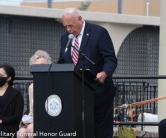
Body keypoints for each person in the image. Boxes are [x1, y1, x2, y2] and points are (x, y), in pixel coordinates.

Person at [58, 8, 117, 138]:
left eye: (70, 25)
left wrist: (105, 73)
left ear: (79, 19)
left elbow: (110, 59)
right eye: (65, 26)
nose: (68, 29)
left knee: (100, 133)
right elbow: (62, 62)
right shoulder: (65, 38)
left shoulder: (98, 32)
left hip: (98, 93)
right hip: (76, 97)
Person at [17, 50, 52, 138]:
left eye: (43, 65)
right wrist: (26, 120)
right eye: (36, 66)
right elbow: (31, 110)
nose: (40, 68)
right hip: (34, 120)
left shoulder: (54, 83)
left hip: (49, 120)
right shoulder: (32, 87)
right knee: (21, 132)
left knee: (31, 129)